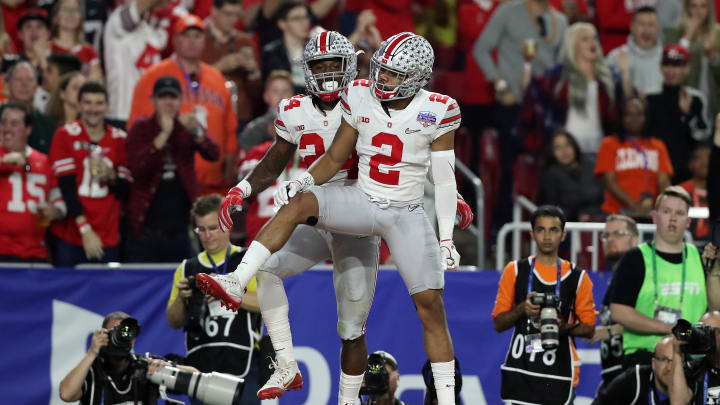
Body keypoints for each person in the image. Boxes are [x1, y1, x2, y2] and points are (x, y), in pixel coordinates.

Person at [199, 32, 461, 405]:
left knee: (375, 322)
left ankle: (372, 399)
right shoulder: (335, 101)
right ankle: (273, 341)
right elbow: (311, 158)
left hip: (386, 214)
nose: (381, 79)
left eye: (333, 66)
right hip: (345, 203)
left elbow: (435, 169)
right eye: (380, 70)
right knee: (278, 246)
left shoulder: (399, 101)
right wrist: (252, 187)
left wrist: (450, 226)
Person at [472, 0, 567, 234]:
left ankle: (544, 231)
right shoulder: (508, 12)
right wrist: (499, 83)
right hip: (512, 106)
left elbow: (561, 64)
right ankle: (499, 230)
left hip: (544, 110)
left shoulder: (560, 20)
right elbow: (481, 49)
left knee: (548, 171)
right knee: (507, 170)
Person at [493, 205, 596, 404]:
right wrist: (522, 309)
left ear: (563, 235)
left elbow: (589, 329)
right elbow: (498, 324)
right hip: (522, 368)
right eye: (541, 230)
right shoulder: (515, 270)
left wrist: (563, 326)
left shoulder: (578, 277)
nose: (547, 236)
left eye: (554, 230)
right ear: (532, 234)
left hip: (560, 370)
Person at [166, 194, 261, 405]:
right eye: (201, 230)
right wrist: (182, 299)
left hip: (242, 361)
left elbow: (266, 304)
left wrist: (227, 290)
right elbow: (174, 321)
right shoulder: (186, 268)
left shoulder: (248, 260)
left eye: (212, 228)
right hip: (201, 365)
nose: (207, 236)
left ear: (227, 224)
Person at [128, 14, 239, 195]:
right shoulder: (153, 76)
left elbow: (230, 126)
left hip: (213, 182)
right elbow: (137, 127)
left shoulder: (216, 78)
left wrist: (231, 159)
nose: (191, 41)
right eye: (185, 36)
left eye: (197, 36)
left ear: (204, 40)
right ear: (174, 40)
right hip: (168, 182)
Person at [608, 186, 713, 369]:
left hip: (693, 358)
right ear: (655, 217)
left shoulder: (701, 258)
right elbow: (619, 311)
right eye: (666, 211)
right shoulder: (635, 258)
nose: (672, 218)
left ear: (688, 221)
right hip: (645, 357)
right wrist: (668, 328)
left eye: (679, 213)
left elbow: (715, 309)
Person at [125, 76, 219, 263]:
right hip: (146, 227)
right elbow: (136, 169)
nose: (168, 102)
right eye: (163, 96)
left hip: (181, 228)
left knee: (183, 283)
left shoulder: (186, 126)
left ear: (180, 101)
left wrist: (197, 132)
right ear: (153, 100)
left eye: (173, 97)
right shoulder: (141, 127)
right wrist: (164, 134)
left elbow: (213, 153)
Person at [48, 82, 131, 266]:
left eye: (99, 103)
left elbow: (127, 192)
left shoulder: (120, 139)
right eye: (88, 103)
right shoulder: (65, 135)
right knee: (66, 293)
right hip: (71, 236)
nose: (93, 109)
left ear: (108, 106)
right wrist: (85, 230)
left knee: (107, 293)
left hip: (107, 236)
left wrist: (111, 177)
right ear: (79, 106)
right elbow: (67, 187)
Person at [525, 22, 621, 157]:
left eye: (594, 38)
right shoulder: (557, 77)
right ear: (572, 45)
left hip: (600, 148)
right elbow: (535, 105)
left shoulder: (609, 77)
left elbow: (618, 114)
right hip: (566, 150)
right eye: (585, 39)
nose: (592, 43)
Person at [58, 311, 197, 404]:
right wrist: (91, 354)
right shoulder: (92, 371)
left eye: (125, 333)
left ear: (133, 339)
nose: (120, 338)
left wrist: (167, 368)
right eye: (114, 333)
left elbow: (195, 377)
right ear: (103, 336)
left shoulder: (146, 366)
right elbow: (66, 394)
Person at [0, 102, 64, 262]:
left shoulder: (44, 162)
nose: (7, 128)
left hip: (34, 253)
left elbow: (59, 199)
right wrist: (8, 161)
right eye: (3, 122)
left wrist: (56, 210)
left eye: (14, 123)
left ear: (28, 129)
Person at [595, 97, 673, 217]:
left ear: (646, 117)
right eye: (628, 114)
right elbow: (610, 181)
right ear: (621, 118)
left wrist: (661, 208)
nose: (634, 119)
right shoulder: (609, 144)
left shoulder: (658, 146)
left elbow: (663, 181)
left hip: (650, 214)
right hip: (615, 213)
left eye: (639, 114)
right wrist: (634, 206)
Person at [646, 44, 711, 184]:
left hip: (685, 170)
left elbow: (704, 135)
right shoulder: (649, 97)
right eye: (667, 64)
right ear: (661, 67)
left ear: (687, 69)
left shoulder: (696, 98)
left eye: (676, 65)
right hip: (654, 168)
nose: (671, 70)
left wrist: (688, 116)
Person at [103, 0, 173, 130]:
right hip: (122, 113)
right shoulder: (117, 20)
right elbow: (140, 6)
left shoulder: (149, 28)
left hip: (149, 113)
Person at [591, 215, 640, 388]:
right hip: (612, 374)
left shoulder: (641, 274)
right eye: (606, 235)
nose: (610, 240)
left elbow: (653, 317)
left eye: (618, 234)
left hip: (632, 372)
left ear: (635, 239)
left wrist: (608, 332)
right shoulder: (616, 278)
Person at [202, 0, 262, 129]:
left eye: (237, 15)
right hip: (207, 111)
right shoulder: (198, 38)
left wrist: (253, 72)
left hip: (239, 115)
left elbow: (256, 92)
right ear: (214, 11)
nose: (233, 20)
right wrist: (220, 67)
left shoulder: (244, 41)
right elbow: (189, 78)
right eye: (228, 14)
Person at [664, 0, 720, 119]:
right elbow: (669, 64)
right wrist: (687, 38)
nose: (698, 11)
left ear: (710, 9)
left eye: (703, 6)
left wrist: (713, 56)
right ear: (686, 7)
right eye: (693, 6)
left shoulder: (718, 34)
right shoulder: (674, 30)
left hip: (712, 101)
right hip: (681, 100)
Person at [536, 130, 603, 222]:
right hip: (568, 226)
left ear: (574, 146)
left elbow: (604, 199)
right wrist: (576, 216)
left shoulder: (591, 165)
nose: (564, 151)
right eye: (558, 148)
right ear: (551, 152)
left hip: (598, 221)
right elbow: (551, 210)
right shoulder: (550, 174)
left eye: (567, 145)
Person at [591, 336, 675, 405]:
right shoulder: (635, 380)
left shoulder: (687, 387)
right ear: (653, 363)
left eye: (675, 361)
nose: (669, 367)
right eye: (664, 359)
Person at [606, 6, 664, 97]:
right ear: (632, 27)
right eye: (641, 24)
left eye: (651, 25)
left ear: (658, 28)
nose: (646, 30)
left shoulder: (666, 58)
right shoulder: (615, 57)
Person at [3, 60, 57, 154]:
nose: (24, 84)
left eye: (29, 80)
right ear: (7, 85)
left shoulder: (47, 124)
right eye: (18, 79)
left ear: (36, 86)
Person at [669, 310, 720, 404]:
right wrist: (677, 353)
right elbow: (678, 402)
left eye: (714, 331)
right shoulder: (693, 368)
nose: (706, 336)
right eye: (703, 330)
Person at [260, 1, 312, 93]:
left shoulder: (314, 51)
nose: (304, 22)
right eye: (297, 18)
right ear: (282, 24)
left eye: (306, 17)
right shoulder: (271, 53)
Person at [237, 69, 294, 152]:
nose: (281, 96)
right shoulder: (255, 127)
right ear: (266, 96)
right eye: (275, 91)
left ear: (293, 96)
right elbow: (244, 154)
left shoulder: (304, 125)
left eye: (285, 91)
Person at [49, 0, 102, 81]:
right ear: (56, 18)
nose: (71, 14)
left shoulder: (89, 50)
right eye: (66, 9)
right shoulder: (46, 47)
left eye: (76, 10)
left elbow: (96, 81)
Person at [679, 143, 711, 245]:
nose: (704, 162)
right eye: (698, 158)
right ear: (690, 164)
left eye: (709, 158)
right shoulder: (679, 191)